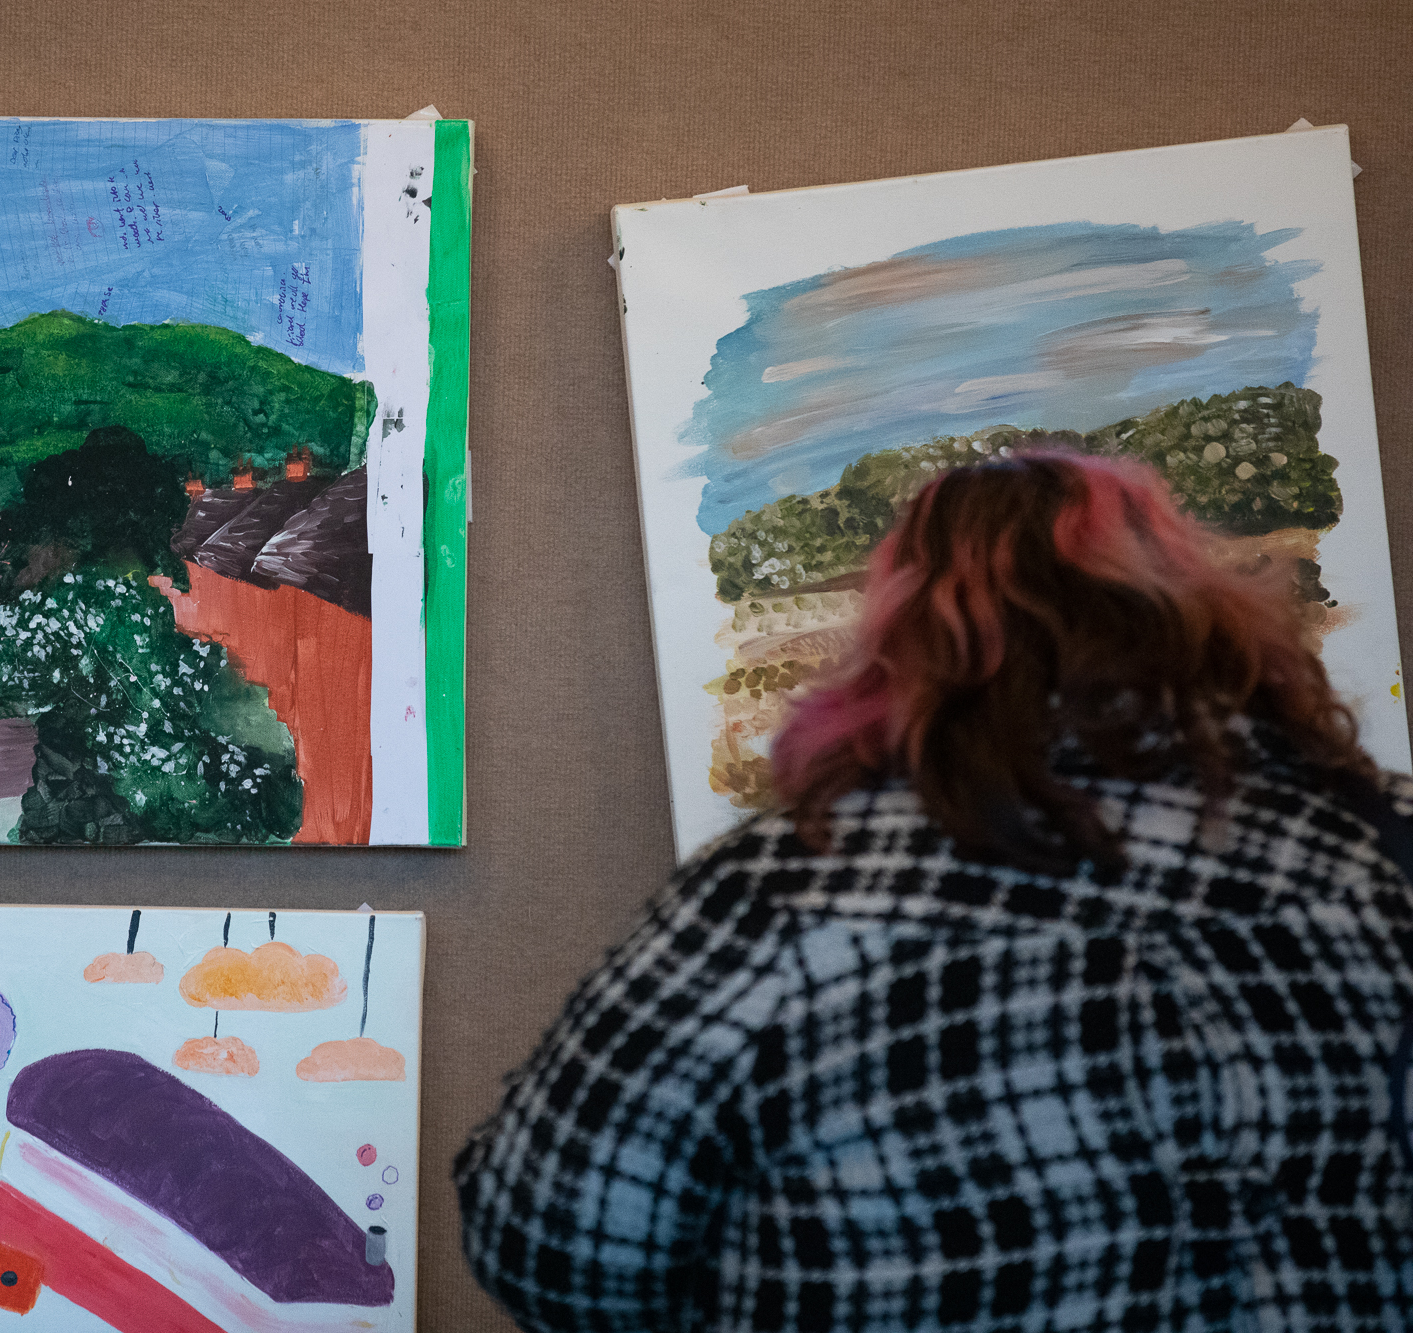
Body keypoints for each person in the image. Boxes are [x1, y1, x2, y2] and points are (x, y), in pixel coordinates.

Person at [456, 450, 1413, 1333]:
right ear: (1200, 610)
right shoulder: (1387, 849)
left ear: (906, 637)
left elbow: (547, 1248)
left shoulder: (783, 896)